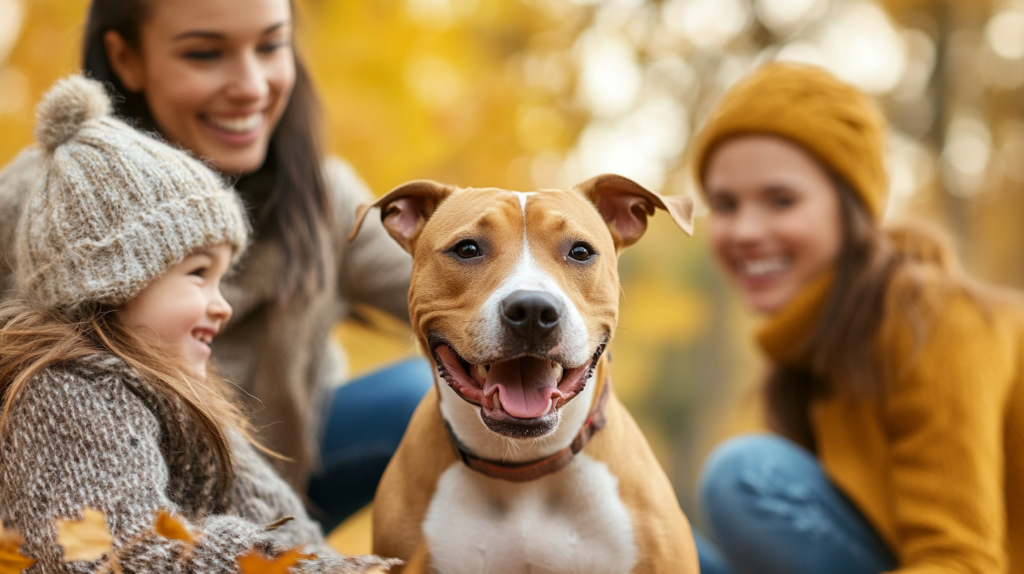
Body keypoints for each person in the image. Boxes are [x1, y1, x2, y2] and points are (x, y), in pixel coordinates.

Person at [0, 0, 433, 530]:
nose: (251, 86)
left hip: (275, 476)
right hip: (103, 491)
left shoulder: (320, 198)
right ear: (127, 58)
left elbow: (459, 293)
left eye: (271, 45)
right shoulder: (37, 204)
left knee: (421, 394)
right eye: (205, 53)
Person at [689, 63, 1023, 574]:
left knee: (744, 477)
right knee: (639, 533)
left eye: (781, 200)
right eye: (725, 205)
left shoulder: (935, 320)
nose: (745, 230)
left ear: (850, 211)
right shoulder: (813, 346)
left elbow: (961, 560)